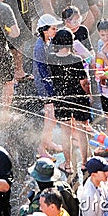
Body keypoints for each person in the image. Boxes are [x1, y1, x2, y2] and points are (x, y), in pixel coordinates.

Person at [48, 28, 91, 174]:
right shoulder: (76, 59)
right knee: (81, 131)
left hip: (61, 98)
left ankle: (68, 164)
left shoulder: (52, 59)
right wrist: (88, 94)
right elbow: (84, 82)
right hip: (78, 98)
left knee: (65, 132)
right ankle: (84, 163)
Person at [33, 14, 62, 157]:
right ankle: (41, 148)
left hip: (47, 84)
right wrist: (50, 88)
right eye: (53, 28)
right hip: (45, 86)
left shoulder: (45, 42)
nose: (55, 30)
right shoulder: (40, 46)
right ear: (45, 30)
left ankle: (48, 141)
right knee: (50, 118)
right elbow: (42, 70)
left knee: (51, 117)